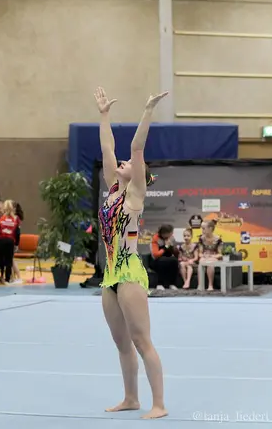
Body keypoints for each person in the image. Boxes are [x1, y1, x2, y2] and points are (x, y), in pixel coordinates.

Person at [95, 86, 168, 419]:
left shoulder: (135, 195)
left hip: (129, 274)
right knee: (121, 344)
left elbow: (136, 148)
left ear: (139, 175)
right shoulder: (112, 189)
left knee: (141, 341)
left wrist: (148, 110)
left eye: (128, 165)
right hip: (110, 274)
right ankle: (131, 398)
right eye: (120, 164)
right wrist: (104, 115)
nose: (121, 163)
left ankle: (159, 404)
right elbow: (107, 147)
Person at [0, 200, 20, 285]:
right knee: (9, 261)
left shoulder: (0, 218)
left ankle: (0, 277)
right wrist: (17, 244)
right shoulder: (16, 219)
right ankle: (7, 279)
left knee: (0, 260)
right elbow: (17, 232)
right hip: (10, 241)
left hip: (1, 240)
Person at [150, 224, 179, 291]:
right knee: (162, 261)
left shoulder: (171, 238)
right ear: (164, 233)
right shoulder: (155, 238)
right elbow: (155, 254)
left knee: (174, 261)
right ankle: (159, 284)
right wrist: (166, 247)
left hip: (168, 258)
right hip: (156, 260)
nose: (172, 234)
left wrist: (173, 247)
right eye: (170, 232)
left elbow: (176, 253)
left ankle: (172, 284)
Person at [197, 220, 223, 291]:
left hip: (214, 256)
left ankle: (210, 285)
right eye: (202, 228)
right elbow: (200, 253)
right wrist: (203, 256)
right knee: (201, 262)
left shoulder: (218, 239)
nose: (202, 230)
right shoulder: (201, 238)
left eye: (203, 228)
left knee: (210, 263)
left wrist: (212, 256)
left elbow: (220, 254)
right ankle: (200, 285)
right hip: (205, 256)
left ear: (210, 228)